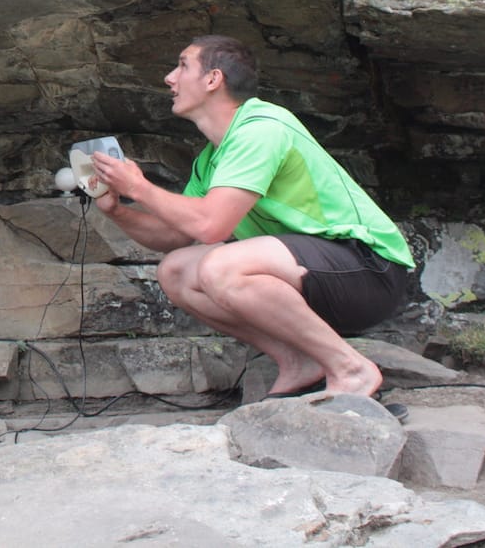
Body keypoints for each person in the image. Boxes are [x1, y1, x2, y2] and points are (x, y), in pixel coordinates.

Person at [88, 35, 414, 399]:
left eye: (182, 66)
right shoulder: (212, 158)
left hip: (369, 270)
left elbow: (211, 226)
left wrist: (140, 188)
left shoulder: (261, 127)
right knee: (176, 271)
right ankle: (298, 361)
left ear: (213, 79)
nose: (169, 78)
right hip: (313, 272)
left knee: (221, 267)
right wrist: (117, 210)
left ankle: (351, 369)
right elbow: (174, 235)